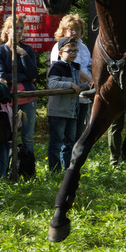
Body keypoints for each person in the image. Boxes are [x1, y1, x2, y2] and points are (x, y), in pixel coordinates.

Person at [0, 15, 38, 175]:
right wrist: (24, 76)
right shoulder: (0, 51)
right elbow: (2, 75)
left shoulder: (27, 49)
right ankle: (6, 171)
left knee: (27, 137)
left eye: (21, 28)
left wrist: (23, 55)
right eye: (15, 28)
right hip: (9, 101)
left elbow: (34, 74)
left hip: (28, 99)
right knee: (8, 136)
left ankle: (28, 172)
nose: (19, 31)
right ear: (7, 30)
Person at [50, 15, 93, 140]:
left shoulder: (83, 47)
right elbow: (74, 69)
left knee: (78, 131)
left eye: (78, 29)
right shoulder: (60, 47)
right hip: (68, 95)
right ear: (63, 31)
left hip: (84, 92)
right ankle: (64, 159)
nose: (75, 32)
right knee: (66, 136)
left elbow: (89, 65)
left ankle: (74, 157)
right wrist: (91, 81)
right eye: (71, 29)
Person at [47, 37, 84, 172]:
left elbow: (77, 87)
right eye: (70, 50)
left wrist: (87, 85)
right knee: (56, 143)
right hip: (58, 112)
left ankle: (68, 170)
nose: (73, 53)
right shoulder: (57, 66)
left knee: (70, 143)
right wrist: (70, 85)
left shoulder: (75, 67)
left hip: (72, 111)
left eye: (75, 50)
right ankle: (54, 171)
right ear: (61, 53)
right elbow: (52, 84)